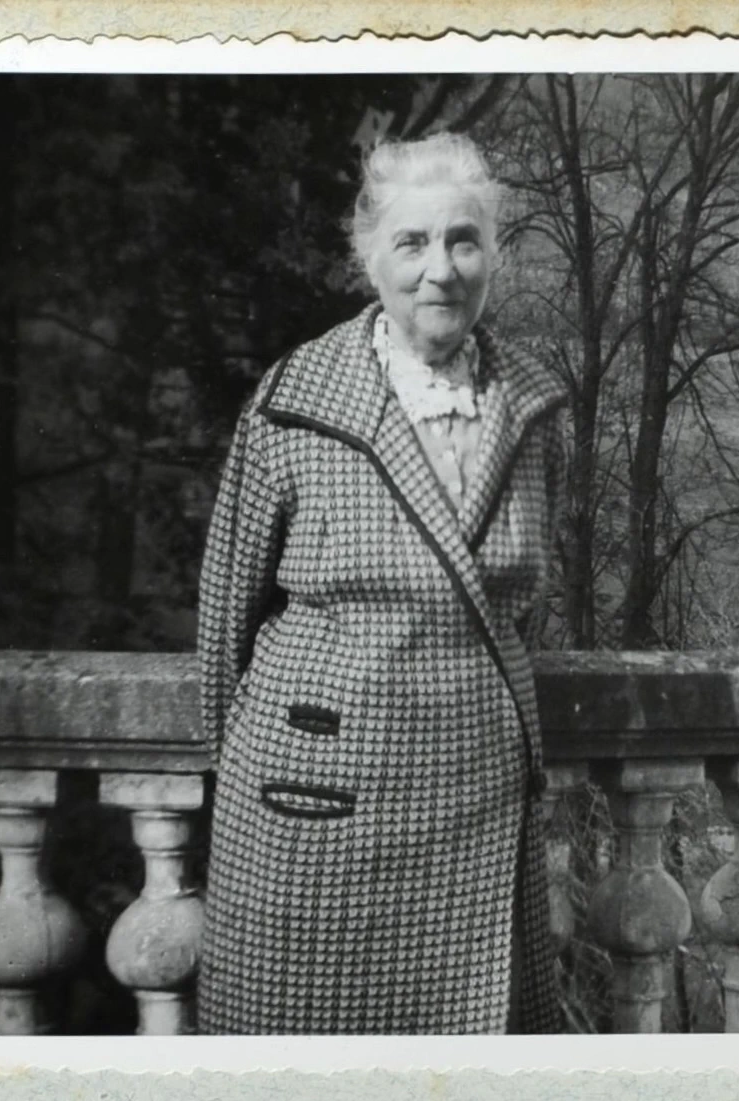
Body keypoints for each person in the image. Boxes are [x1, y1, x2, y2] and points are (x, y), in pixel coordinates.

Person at [195, 132, 566, 1034]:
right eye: (412, 242)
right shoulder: (296, 398)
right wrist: (262, 764)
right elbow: (224, 618)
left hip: (476, 799)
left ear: (493, 257)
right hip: (319, 807)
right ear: (370, 260)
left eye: (464, 240)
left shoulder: (532, 405)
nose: (441, 269)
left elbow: (521, 610)